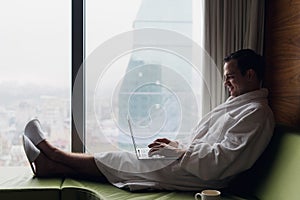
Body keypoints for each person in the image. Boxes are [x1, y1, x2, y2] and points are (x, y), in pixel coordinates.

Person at [22, 49, 275, 191]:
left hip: (204, 177)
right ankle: (51, 165)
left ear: (250, 74)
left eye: (230, 76)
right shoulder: (240, 107)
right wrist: (175, 147)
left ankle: (53, 154)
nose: (225, 82)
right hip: (191, 164)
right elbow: (207, 146)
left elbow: (222, 160)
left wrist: (179, 152)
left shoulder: (256, 114)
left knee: (122, 159)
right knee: (133, 158)